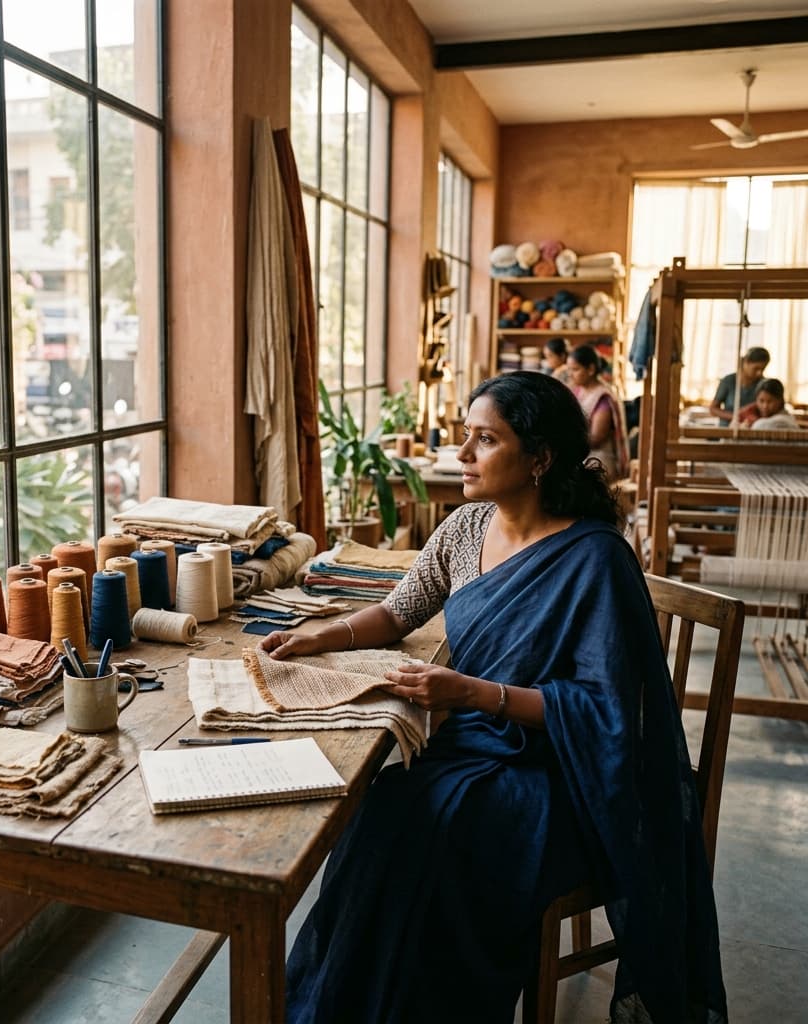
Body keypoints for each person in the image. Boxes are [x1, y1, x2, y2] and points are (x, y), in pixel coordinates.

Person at [263, 371, 727, 1023]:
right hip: (467, 746)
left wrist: (471, 692)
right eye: (465, 436)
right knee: (380, 808)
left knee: (447, 840)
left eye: (485, 439)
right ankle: (334, 1007)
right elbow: (398, 613)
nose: (462, 455)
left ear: (539, 458)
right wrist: (320, 636)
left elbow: (607, 717)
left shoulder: (596, 560)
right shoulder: (465, 527)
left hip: (557, 774)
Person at [565, 344, 629, 480]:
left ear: (591, 369)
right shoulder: (576, 390)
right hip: (579, 454)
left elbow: (596, 439)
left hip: (598, 460)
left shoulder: (602, 397)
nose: (570, 374)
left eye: (575, 369)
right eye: (569, 369)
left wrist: (563, 440)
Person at [709, 346, 770, 424]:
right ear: (745, 363)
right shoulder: (728, 381)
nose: (760, 373)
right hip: (728, 429)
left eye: (763, 369)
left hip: (752, 428)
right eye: (756, 368)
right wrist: (737, 416)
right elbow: (713, 409)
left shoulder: (763, 384)